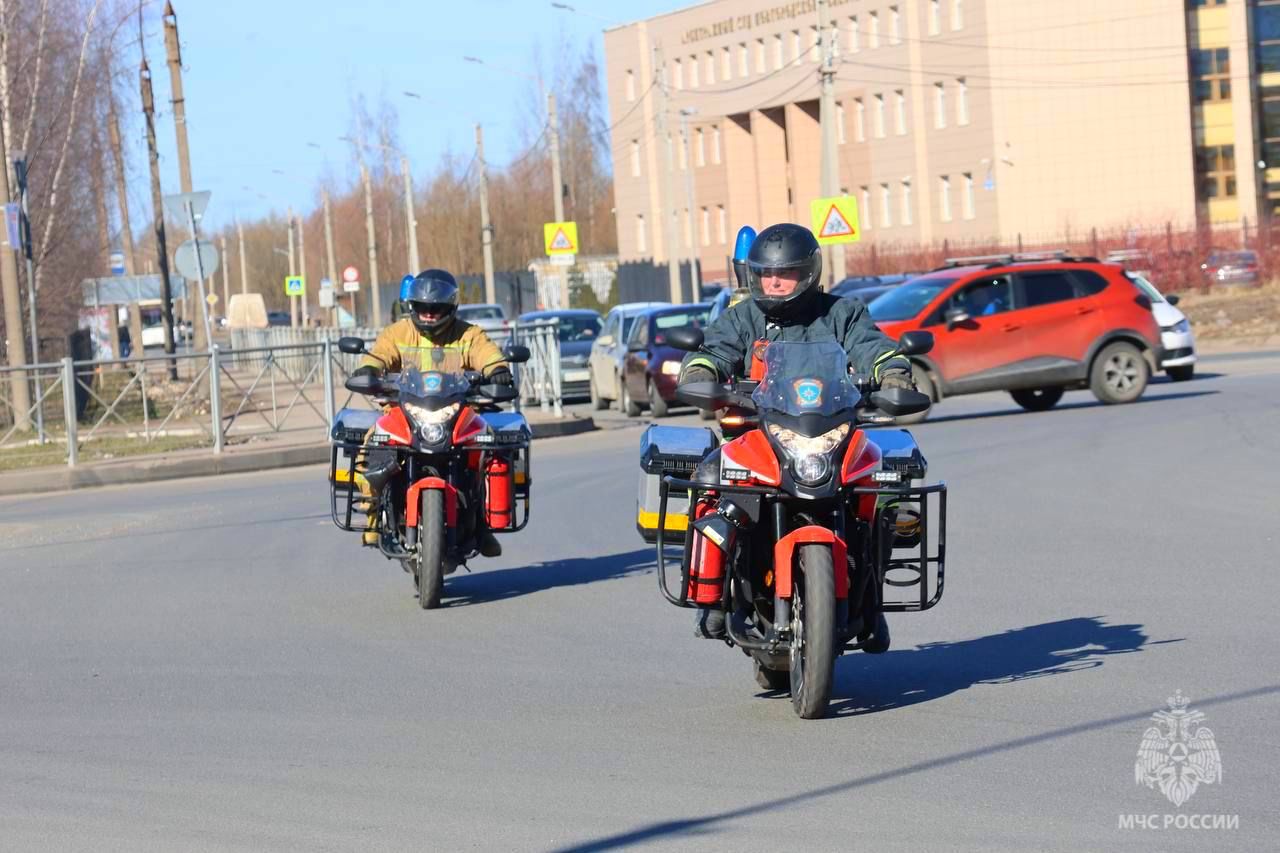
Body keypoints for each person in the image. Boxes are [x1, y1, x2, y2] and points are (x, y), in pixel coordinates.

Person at [678, 222, 915, 639]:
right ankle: (713, 598)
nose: (772, 282)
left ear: (807, 273)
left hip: (831, 436)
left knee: (884, 495)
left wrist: (892, 373)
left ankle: (871, 597)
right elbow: (713, 351)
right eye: (765, 274)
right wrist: (701, 372)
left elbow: (872, 346)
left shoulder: (842, 313)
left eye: (784, 273)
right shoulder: (743, 317)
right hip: (757, 435)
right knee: (711, 486)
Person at [351, 268, 513, 557]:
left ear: (450, 308)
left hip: (458, 413)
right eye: (422, 307)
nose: (428, 314)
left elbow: (486, 352)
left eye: (435, 309)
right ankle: (373, 517)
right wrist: (369, 369)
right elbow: (380, 354)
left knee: (490, 449)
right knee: (371, 445)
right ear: (412, 306)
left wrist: (498, 369)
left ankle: (482, 522)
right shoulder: (397, 333)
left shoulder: (468, 334)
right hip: (404, 411)